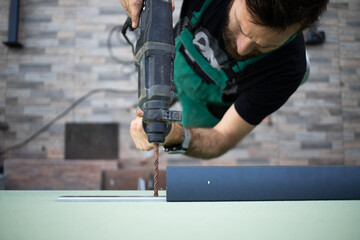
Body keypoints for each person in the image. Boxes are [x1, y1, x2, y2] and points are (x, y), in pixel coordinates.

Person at [121, 0, 329, 159]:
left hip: (209, 106)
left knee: (179, 130)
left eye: (262, 46)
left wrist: (177, 137)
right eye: (239, 26)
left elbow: (222, 138)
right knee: (157, 96)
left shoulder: (287, 69)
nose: (241, 48)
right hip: (178, 63)